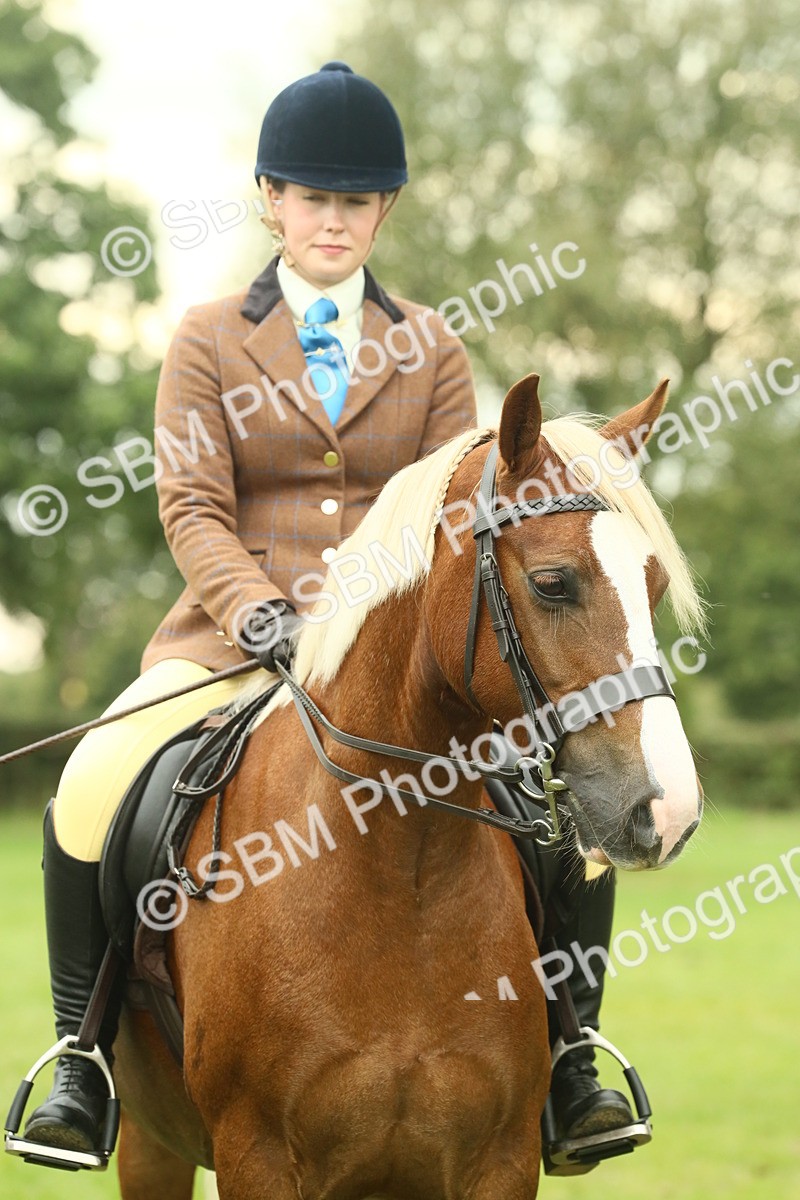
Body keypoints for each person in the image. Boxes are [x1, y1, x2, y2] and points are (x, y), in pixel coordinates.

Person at [16, 62, 635, 1168]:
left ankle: (573, 1056)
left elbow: (461, 506)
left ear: (382, 209)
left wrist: (364, 620)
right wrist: (258, 612)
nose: (333, 219)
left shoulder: (435, 347)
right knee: (94, 780)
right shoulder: (207, 338)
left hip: (395, 661)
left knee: (557, 820)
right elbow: (192, 502)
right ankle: (84, 1055)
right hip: (228, 645)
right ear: (271, 199)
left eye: (355, 201)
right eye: (313, 197)